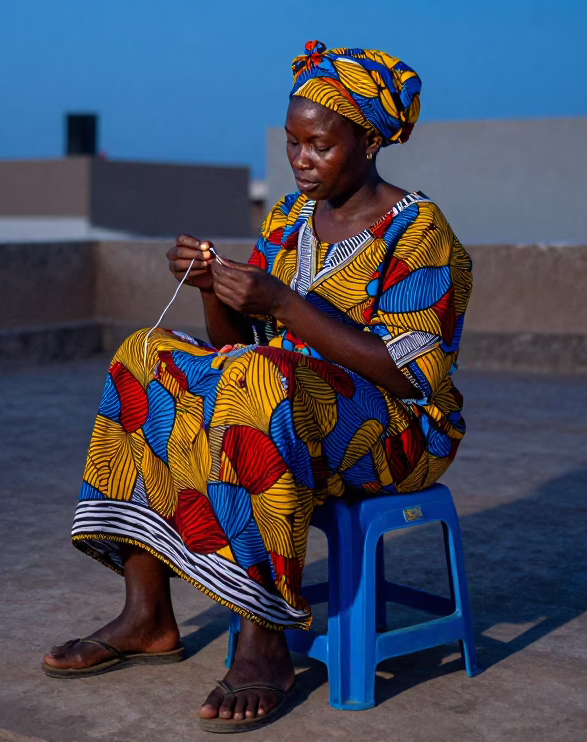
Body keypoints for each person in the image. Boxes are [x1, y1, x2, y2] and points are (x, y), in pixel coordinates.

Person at [43, 41, 473, 732]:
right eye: (292, 142)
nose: (300, 158)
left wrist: (286, 305)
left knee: (263, 381)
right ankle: (147, 611)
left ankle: (263, 638)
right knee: (143, 356)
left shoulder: (420, 232)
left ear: (368, 140)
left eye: (320, 145)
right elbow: (234, 352)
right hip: (284, 401)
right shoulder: (288, 219)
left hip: (399, 431)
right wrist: (216, 286)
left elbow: (412, 375)